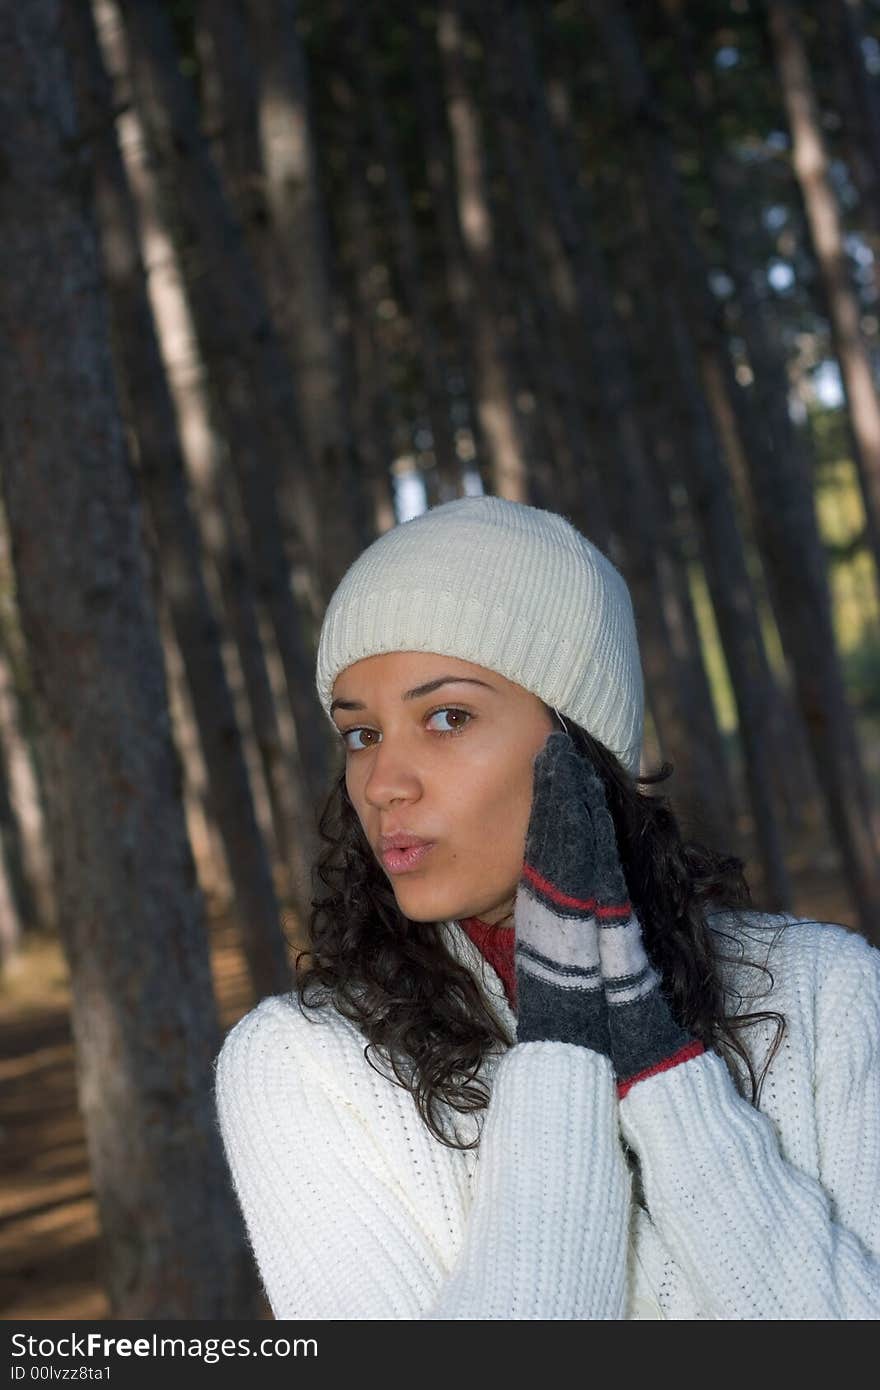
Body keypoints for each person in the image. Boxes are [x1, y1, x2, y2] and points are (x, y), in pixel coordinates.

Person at [214, 495, 880, 1320]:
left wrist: (669, 1084)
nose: (384, 783)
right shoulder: (302, 1067)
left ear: (579, 745)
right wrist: (564, 1052)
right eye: (362, 734)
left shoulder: (827, 995)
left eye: (446, 718)